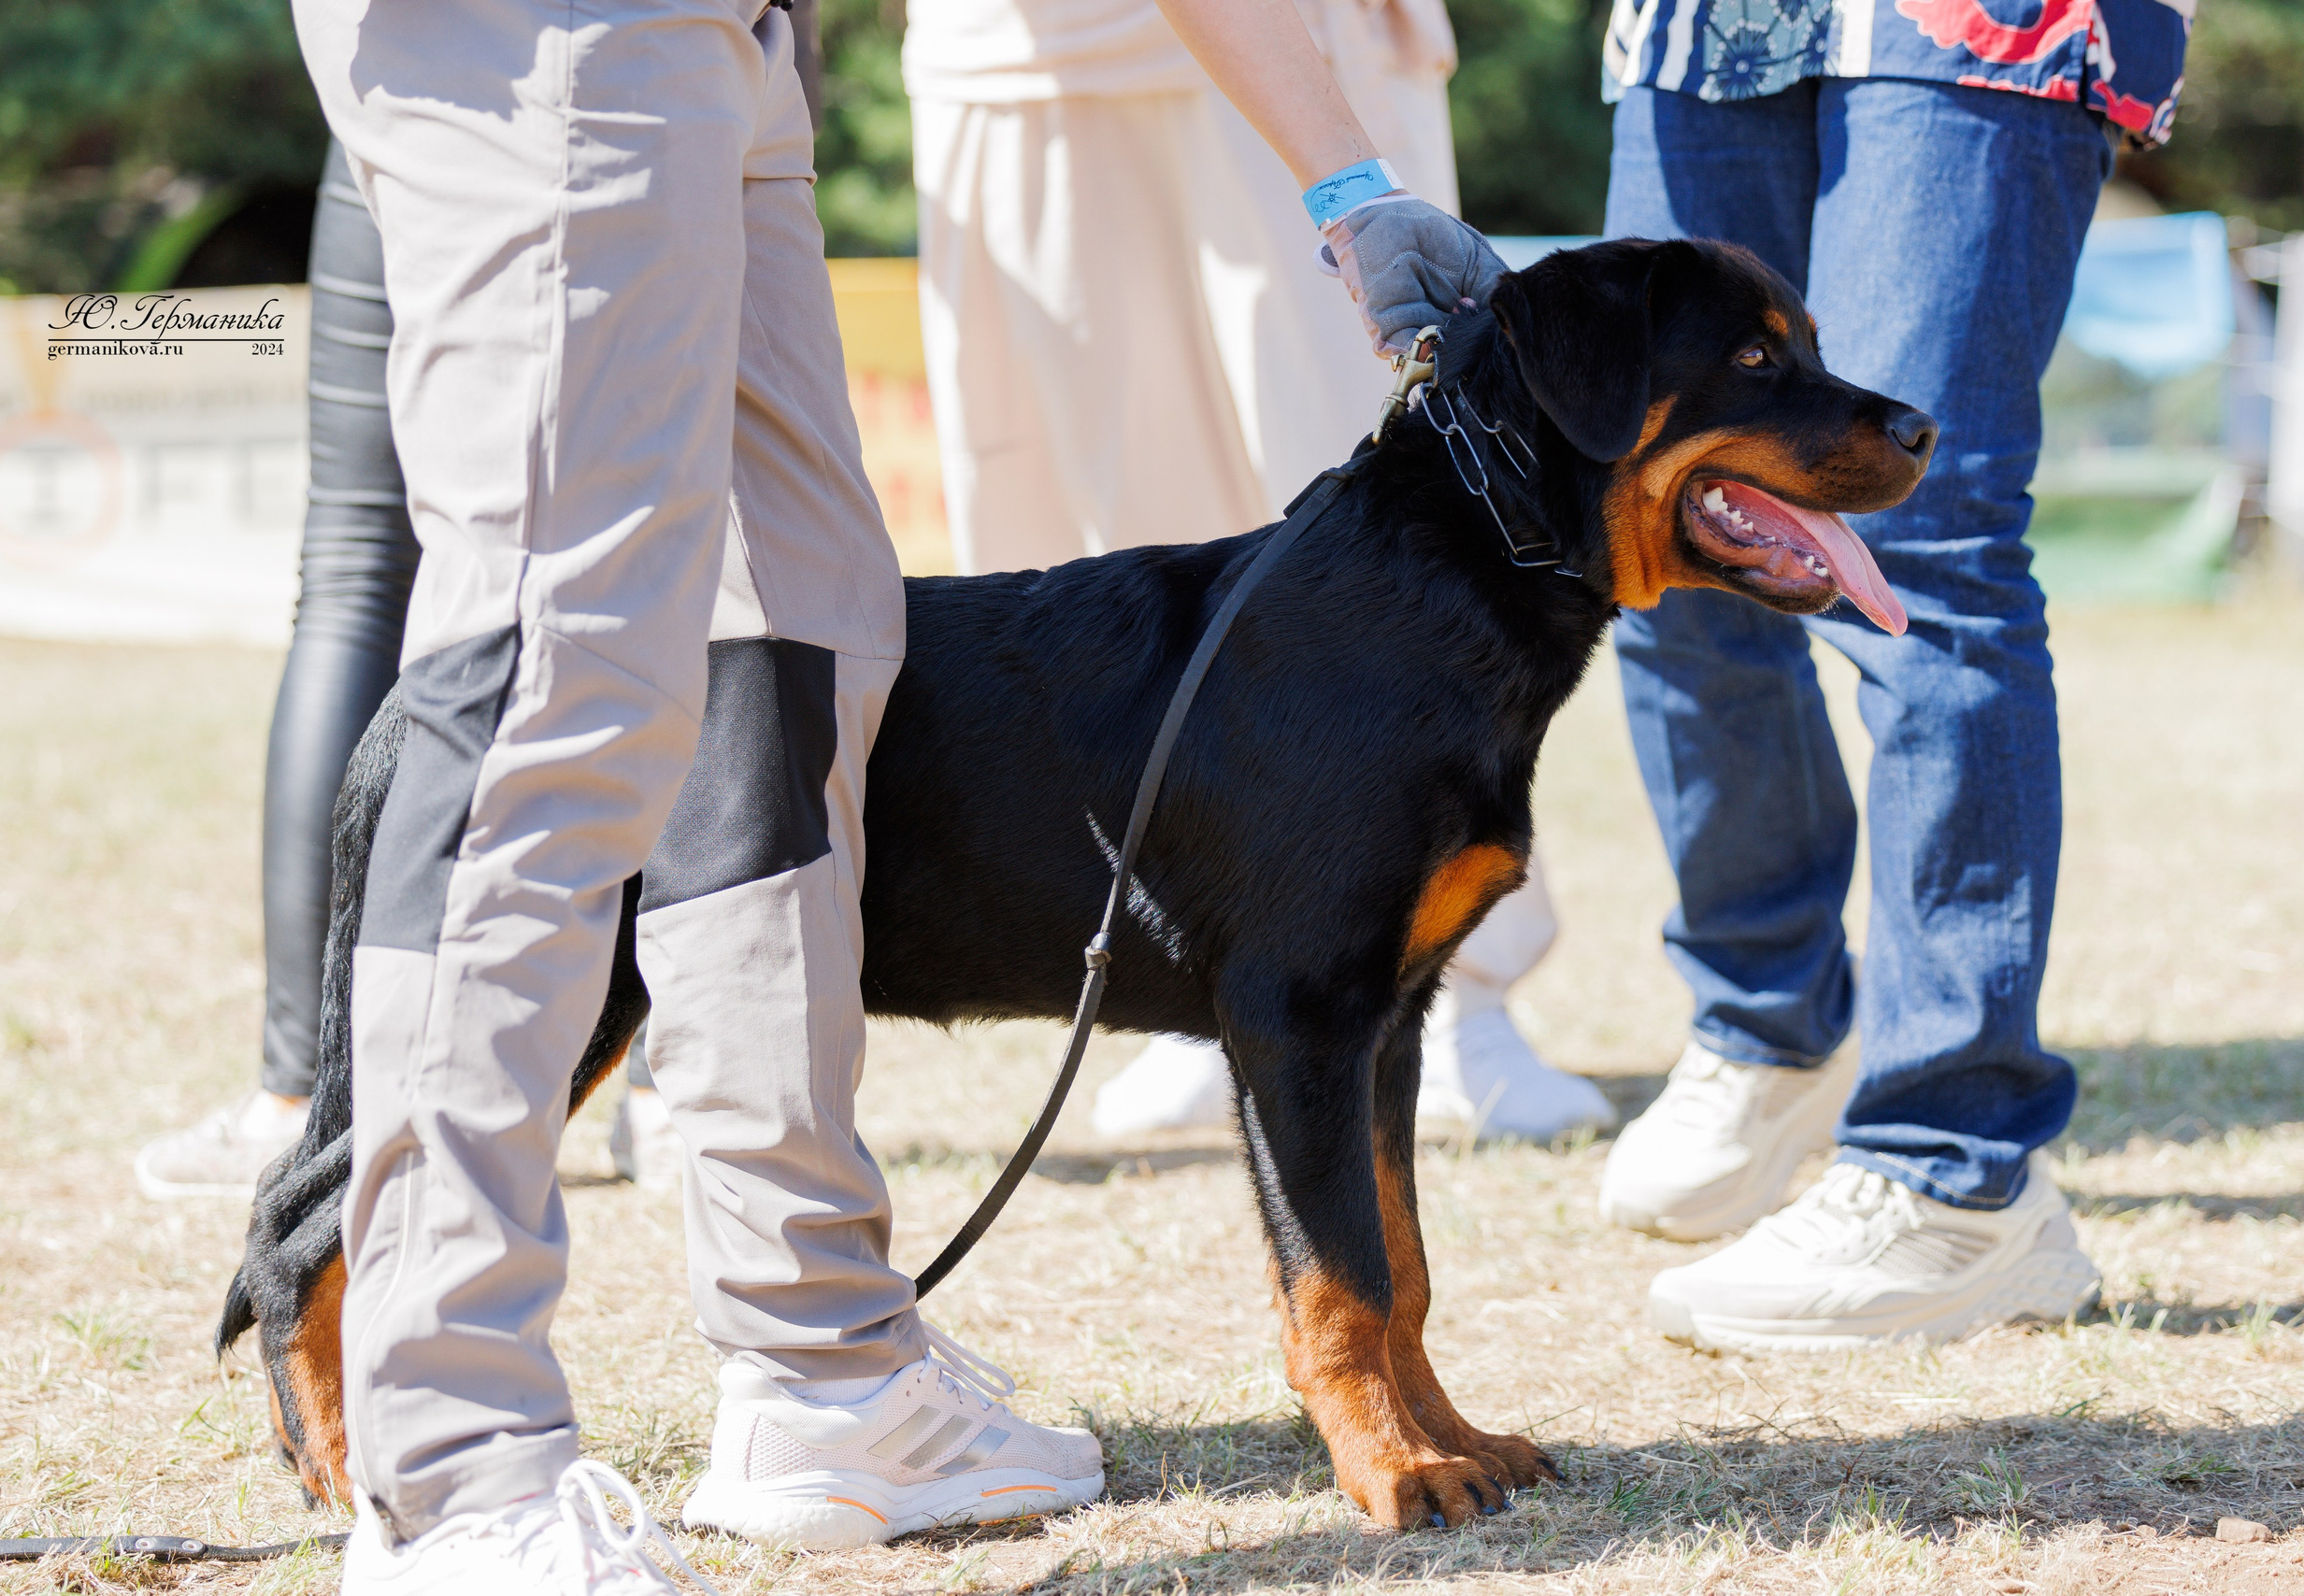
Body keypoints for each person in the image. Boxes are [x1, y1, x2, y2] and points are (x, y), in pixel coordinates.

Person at [282, 0, 1506, 1587]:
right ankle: (456, 1470)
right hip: (551, 25)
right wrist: (1341, 173)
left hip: (734, 36)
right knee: (556, 651)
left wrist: (1348, 182)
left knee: (790, 652)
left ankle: (823, 1373)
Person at [1587, 0, 2189, 1350]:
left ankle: (1958, 1169)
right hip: (1711, 25)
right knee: (1662, 512)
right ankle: (1770, 1023)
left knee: (1921, 538)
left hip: (1978, 20)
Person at [906, 0, 1615, 1143]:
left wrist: (1346, 187)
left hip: (1297, 49)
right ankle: (1195, 961)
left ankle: (1460, 1001)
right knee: (1098, 544)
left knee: (1386, 509)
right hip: (1013, 59)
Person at [131, 144, 686, 1202]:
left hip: (410, 95)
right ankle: (673, 1094)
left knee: (352, 566)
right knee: (682, 561)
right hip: (657, 87)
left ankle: (296, 1100)